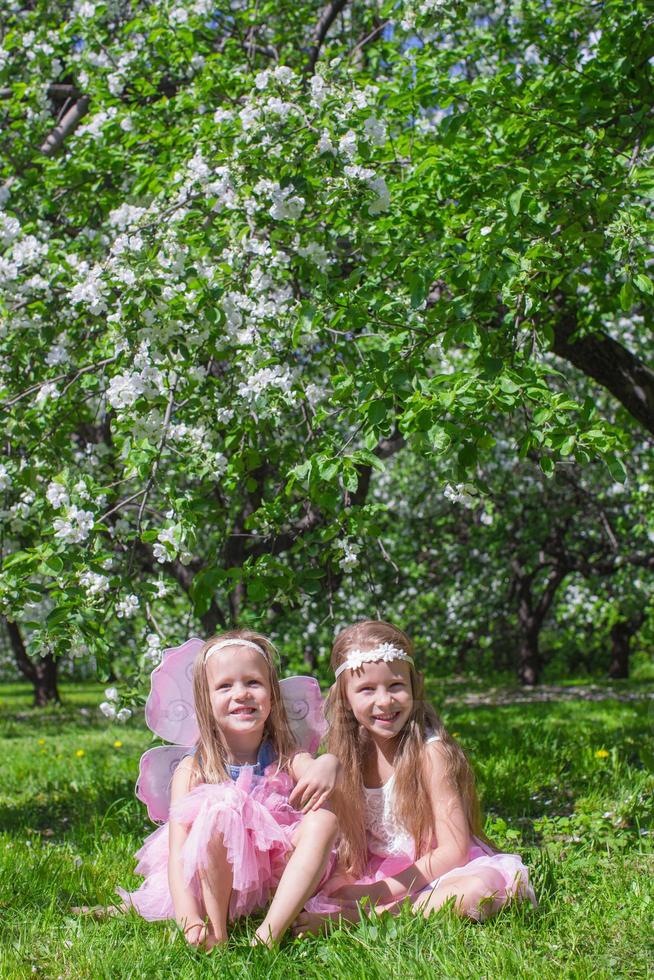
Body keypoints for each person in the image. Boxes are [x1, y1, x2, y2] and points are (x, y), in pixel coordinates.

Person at [294, 620, 535, 935]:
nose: (384, 701)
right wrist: (343, 885)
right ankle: (363, 911)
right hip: (375, 869)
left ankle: (361, 920)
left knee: (477, 892)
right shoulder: (347, 756)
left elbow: (454, 850)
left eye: (395, 686)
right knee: (312, 878)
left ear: (414, 685)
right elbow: (348, 845)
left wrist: (378, 892)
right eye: (367, 689)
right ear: (345, 697)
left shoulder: (430, 753)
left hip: (436, 870)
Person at [118, 629, 339, 948]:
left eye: (253, 682)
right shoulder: (194, 768)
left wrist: (329, 762)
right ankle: (216, 933)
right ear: (206, 702)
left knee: (325, 819)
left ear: (272, 696)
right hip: (213, 879)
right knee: (222, 810)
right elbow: (179, 852)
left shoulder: (283, 754)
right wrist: (189, 918)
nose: (241, 694)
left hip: (273, 877)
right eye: (224, 686)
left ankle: (269, 933)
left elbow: (312, 767)